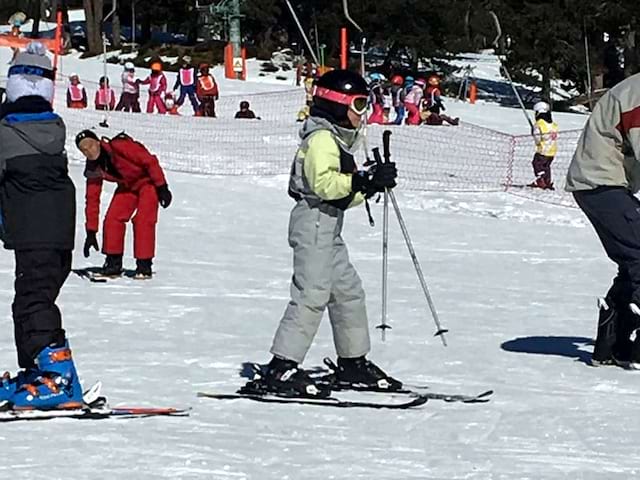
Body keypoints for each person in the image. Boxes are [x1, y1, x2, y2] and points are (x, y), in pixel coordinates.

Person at [258, 69, 401, 398]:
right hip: (313, 223)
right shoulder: (321, 139)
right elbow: (323, 185)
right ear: (337, 105)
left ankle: (352, 361)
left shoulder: (334, 138)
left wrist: (372, 183)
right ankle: (282, 367)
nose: (363, 113)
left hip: (329, 225)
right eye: (360, 104)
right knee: (312, 293)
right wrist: (361, 181)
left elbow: (341, 194)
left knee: (348, 291)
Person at [0, 42, 83, 409]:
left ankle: (61, 380)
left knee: (33, 302)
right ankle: (39, 371)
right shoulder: (52, 127)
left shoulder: (7, 133)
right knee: (31, 301)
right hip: (55, 233)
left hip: (35, 233)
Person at [566, 72, 640, 368]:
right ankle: (632, 342)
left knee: (632, 256)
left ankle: (612, 345)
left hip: (602, 183)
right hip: (600, 183)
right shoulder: (637, 94)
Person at [75, 130, 173, 279]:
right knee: (112, 220)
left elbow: (149, 161)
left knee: (143, 220)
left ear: (97, 142)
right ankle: (113, 263)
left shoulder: (119, 146)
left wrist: (162, 186)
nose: (88, 151)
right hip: (127, 186)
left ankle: (144, 265)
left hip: (148, 182)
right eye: (84, 150)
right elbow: (92, 198)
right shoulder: (93, 168)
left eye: (90, 145)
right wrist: (91, 230)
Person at [529, 101, 558, 189]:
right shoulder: (552, 124)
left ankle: (541, 180)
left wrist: (534, 134)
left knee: (537, 164)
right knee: (546, 166)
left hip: (543, 150)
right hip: (552, 151)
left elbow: (537, 137)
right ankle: (547, 181)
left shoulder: (539, 124)